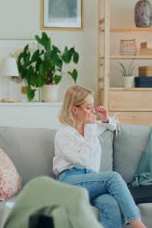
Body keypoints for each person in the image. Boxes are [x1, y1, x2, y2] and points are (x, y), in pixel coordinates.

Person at [53, 85, 146, 228]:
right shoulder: (64, 134)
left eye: (93, 106)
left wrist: (105, 118)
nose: (93, 111)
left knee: (112, 204)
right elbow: (81, 160)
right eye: (88, 107)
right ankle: (137, 224)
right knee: (112, 177)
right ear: (74, 109)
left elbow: (113, 127)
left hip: (93, 181)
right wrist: (90, 129)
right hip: (70, 181)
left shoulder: (93, 126)